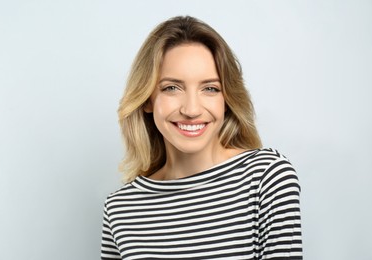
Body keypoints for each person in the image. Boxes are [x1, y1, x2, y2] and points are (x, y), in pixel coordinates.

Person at [101, 16, 302, 259]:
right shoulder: (120, 208)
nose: (192, 109)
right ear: (147, 100)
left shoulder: (266, 178)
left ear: (226, 100)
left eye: (210, 89)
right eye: (171, 88)